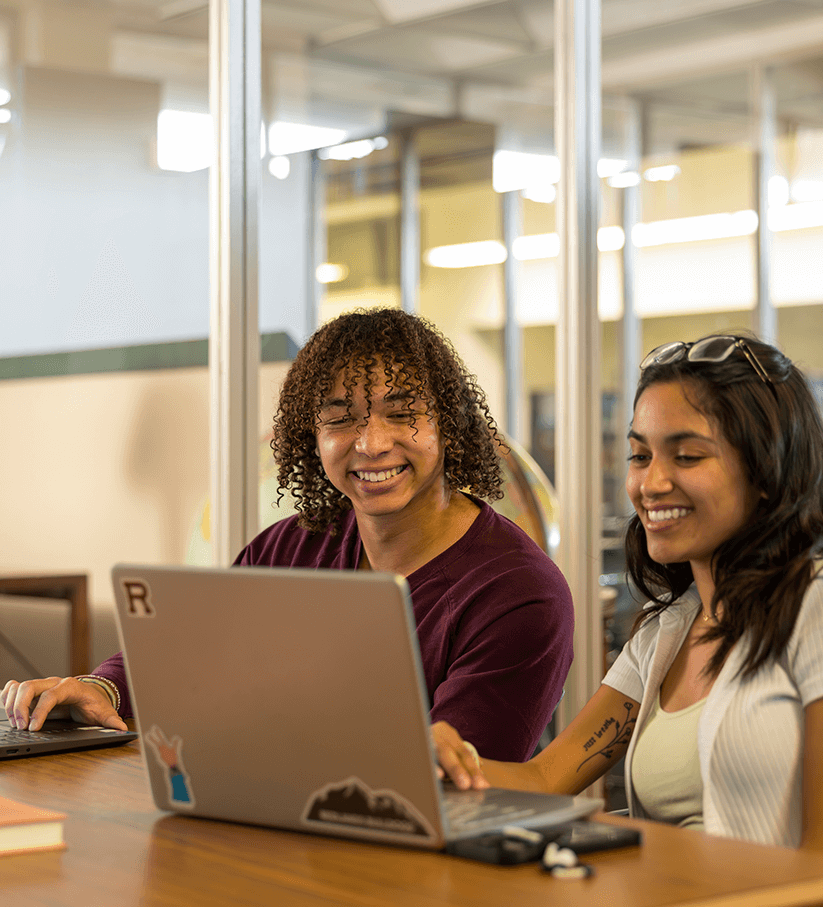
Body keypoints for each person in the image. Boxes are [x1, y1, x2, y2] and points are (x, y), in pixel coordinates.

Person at [434, 334, 823, 864]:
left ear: (768, 471)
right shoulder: (670, 627)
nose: (651, 482)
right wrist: (431, 762)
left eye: (687, 455)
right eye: (640, 455)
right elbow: (547, 776)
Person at [3, 309, 574, 762]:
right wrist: (101, 689)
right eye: (340, 417)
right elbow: (192, 647)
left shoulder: (520, 593)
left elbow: (459, 775)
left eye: (403, 414)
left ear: (448, 424)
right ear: (312, 435)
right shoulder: (288, 548)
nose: (371, 443)